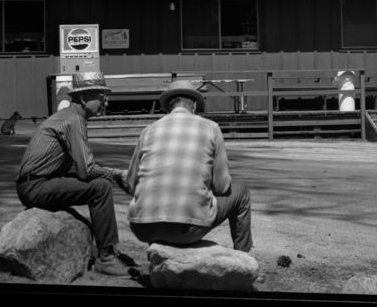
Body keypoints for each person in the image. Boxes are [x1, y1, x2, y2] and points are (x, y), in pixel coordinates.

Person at [112, 78, 253, 253]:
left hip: (143, 228)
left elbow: (131, 185)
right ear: (194, 105)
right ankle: (243, 254)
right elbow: (222, 186)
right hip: (188, 230)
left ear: (168, 107)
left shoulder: (148, 131)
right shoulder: (211, 128)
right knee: (241, 192)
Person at [15, 70, 129, 276]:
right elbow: (87, 171)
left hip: (35, 183)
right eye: (101, 96)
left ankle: (106, 251)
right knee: (101, 188)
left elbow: (83, 165)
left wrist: (111, 174)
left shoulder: (68, 117)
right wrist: (117, 175)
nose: (106, 102)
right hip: (35, 186)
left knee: (99, 183)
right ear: (84, 99)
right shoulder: (73, 121)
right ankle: (106, 257)